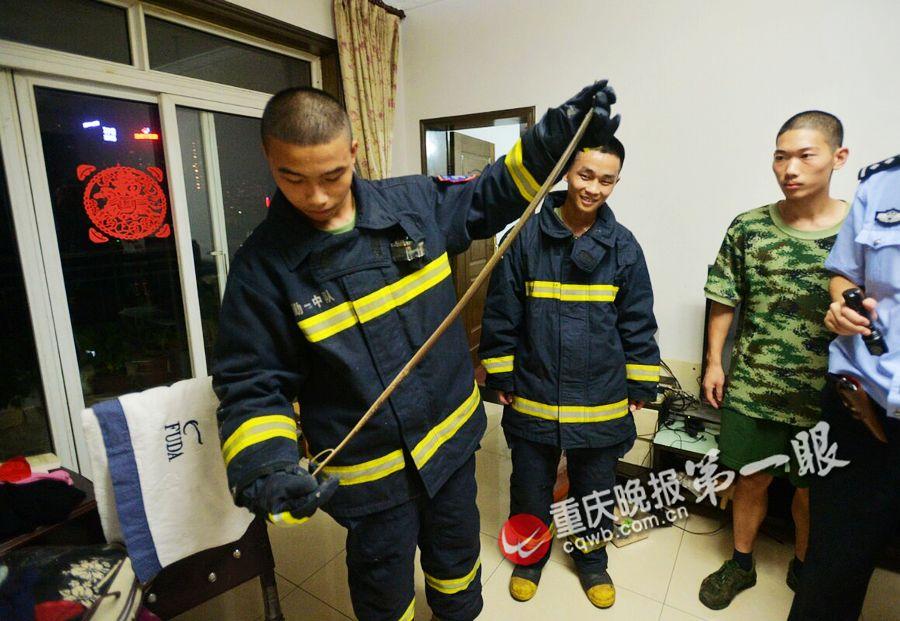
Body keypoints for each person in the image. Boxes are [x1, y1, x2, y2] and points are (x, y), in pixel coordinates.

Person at [211, 82, 620, 621]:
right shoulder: (262, 269)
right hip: (370, 477)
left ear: (353, 152)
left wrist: (553, 140)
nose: (317, 196)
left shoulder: (414, 204)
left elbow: (492, 193)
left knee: (458, 570)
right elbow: (251, 384)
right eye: (294, 179)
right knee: (384, 596)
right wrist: (267, 466)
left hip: (450, 451)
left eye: (332, 175)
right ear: (270, 159)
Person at [478, 137, 659, 609]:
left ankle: (592, 561)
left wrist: (641, 381)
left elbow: (637, 321)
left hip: (600, 395)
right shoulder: (523, 238)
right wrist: (501, 375)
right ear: (565, 173)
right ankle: (529, 557)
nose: (593, 188)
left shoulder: (623, 247)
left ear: (617, 182)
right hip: (535, 390)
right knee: (529, 484)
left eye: (606, 180)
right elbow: (501, 313)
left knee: (595, 487)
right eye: (585, 175)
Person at [698, 111, 850, 610]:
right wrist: (714, 363)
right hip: (754, 385)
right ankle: (740, 563)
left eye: (806, 155)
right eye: (781, 157)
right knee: (750, 477)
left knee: (812, 488)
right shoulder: (748, 227)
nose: (791, 168)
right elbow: (724, 297)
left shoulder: (859, 230)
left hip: (827, 393)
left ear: (838, 158)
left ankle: (805, 566)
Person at [789, 153, 900, 620]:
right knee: (831, 568)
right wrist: (842, 307)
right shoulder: (881, 184)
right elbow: (845, 273)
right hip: (862, 406)